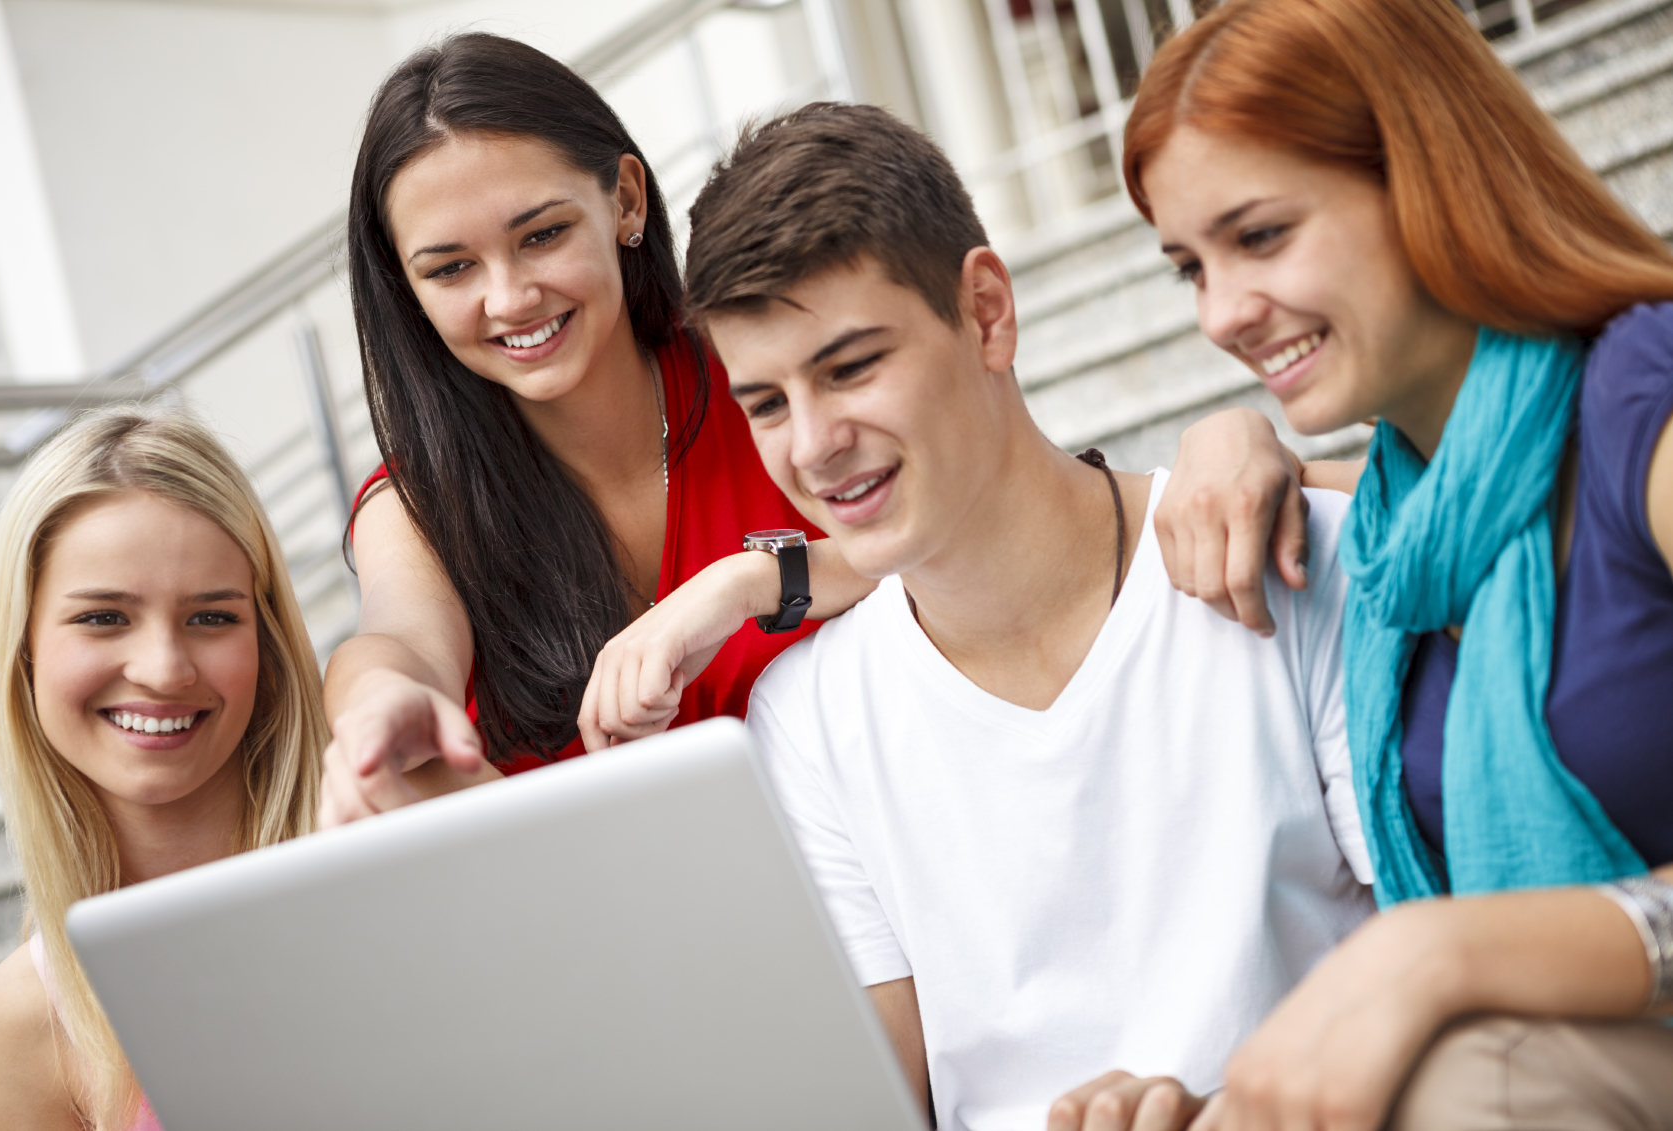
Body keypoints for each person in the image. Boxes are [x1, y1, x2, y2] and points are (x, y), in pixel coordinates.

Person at [682, 101, 1376, 1131]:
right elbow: (875, 1102)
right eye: (768, 404)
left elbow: (1449, 966)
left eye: (851, 367)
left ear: (986, 312)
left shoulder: (1285, 558)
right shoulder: (808, 718)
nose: (814, 444)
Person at [1121, 0, 1673, 1124]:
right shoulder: (1394, 523)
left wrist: (1443, 954)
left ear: (1427, 173)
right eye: (1189, 267)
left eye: (1260, 236)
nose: (1221, 314)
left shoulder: (1643, 401)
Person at [319, 34, 878, 825]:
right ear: (407, 289)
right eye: (451, 269)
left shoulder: (752, 372)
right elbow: (399, 638)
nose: (510, 298)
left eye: (542, 235)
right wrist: (380, 701)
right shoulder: (417, 507)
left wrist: (747, 583)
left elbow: (939, 540)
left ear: (625, 202)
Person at [0, 408, 326, 1131]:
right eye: (103, 617)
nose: (165, 669)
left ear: (266, 641)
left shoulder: (401, 839)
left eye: (211, 617)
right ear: (22, 649)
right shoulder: (12, 1030)